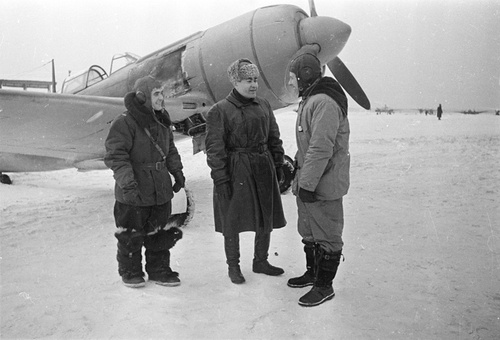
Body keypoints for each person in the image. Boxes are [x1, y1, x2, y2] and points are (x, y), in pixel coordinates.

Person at [205, 58, 287, 284]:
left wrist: (278, 163)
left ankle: (261, 260)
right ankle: (233, 266)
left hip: (262, 165)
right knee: (232, 218)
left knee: (265, 214)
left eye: (254, 80)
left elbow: (273, 136)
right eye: (247, 80)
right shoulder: (220, 110)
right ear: (235, 82)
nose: (253, 85)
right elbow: (214, 148)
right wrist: (221, 178)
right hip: (235, 168)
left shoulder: (263, 105)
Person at [104, 75, 186, 288]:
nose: (162, 98)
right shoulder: (125, 122)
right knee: (131, 235)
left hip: (159, 187)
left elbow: (170, 150)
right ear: (143, 97)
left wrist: (177, 173)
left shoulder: (162, 119)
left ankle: (158, 270)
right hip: (134, 188)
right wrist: (128, 183)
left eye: (162, 93)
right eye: (156, 94)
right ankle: (130, 271)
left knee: (159, 232)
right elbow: (116, 155)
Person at [286, 52, 349, 307]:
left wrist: (308, 185)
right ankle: (313, 274)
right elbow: (308, 145)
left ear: (305, 76)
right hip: (310, 180)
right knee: (310, 231)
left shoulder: (323, 102)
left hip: (324, 183)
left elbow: (321, 148)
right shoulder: (311, 100)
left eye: (292, 78)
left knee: (327, 234)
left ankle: (325, 285)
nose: (291, 84)